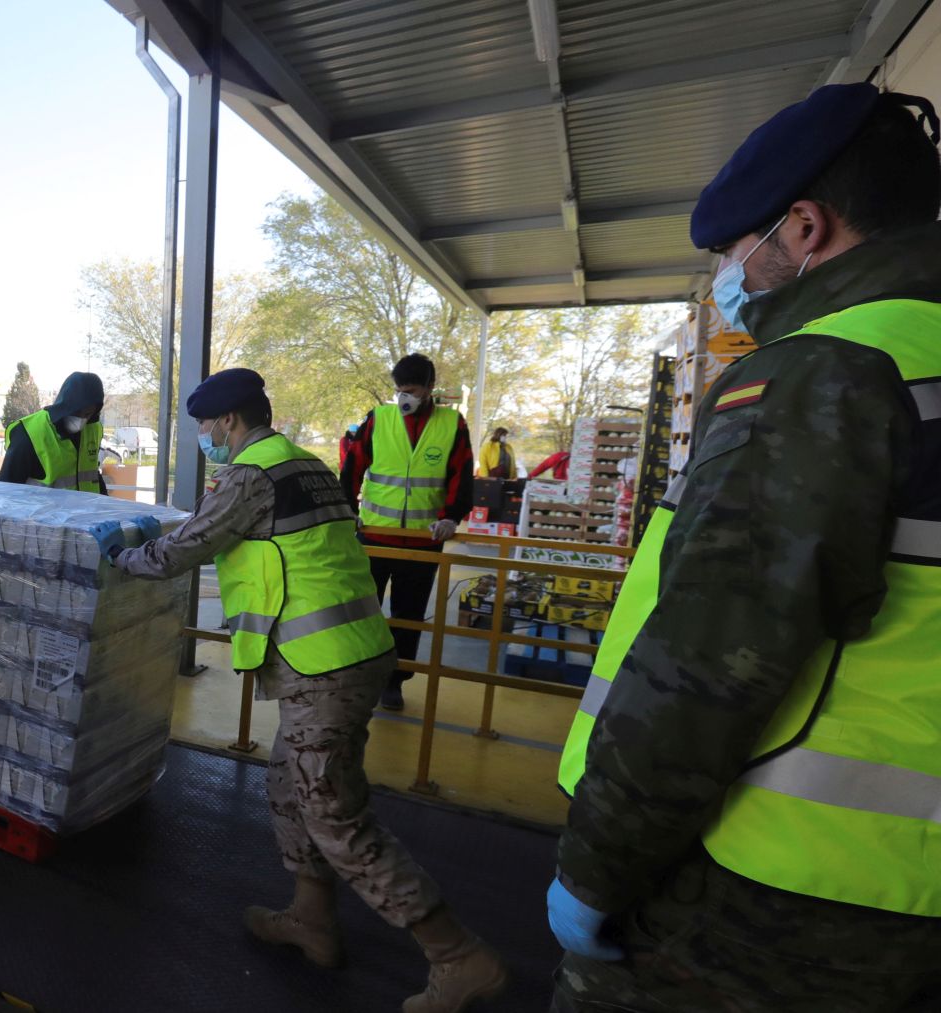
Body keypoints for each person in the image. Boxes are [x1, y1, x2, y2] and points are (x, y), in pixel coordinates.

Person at [551, 83, 941, 1011]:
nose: (730, 274)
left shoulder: (827, 369)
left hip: (778, 888)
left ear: (804, 228)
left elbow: (713, 658)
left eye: (736, 248)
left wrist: (598, 865)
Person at [100, 368, 508, 1013]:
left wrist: (121, 558)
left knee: (331, 807)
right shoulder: (303, 462)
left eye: (204, 427)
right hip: (350, 651)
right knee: (291, 786)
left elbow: (186, 549)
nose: (204, 438)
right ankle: (311, 920)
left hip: (324, 663)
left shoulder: (251, 473)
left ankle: (457, 957)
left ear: (227, 422)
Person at [340, 354, 475, 710]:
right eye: (400, 390)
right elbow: (354, 464)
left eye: (412, 390)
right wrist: (347, 510)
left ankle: (394, 681)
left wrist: (452, 517)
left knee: (408, 614)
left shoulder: (452, 424)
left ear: (430, 389)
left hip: (422, 540)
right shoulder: (379, 419)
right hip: (373, 536)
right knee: (363, 610)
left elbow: (462, 473)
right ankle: (358, 673)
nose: (404, 398)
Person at [0, 370, 110, 493]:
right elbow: (7, 489)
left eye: (88, 414)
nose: (82, 419)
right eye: (76, 412)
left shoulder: (93, 428)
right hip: (41, 511)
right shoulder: (29, 432)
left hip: (87, 511)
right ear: (65, 406)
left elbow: (92, 474)